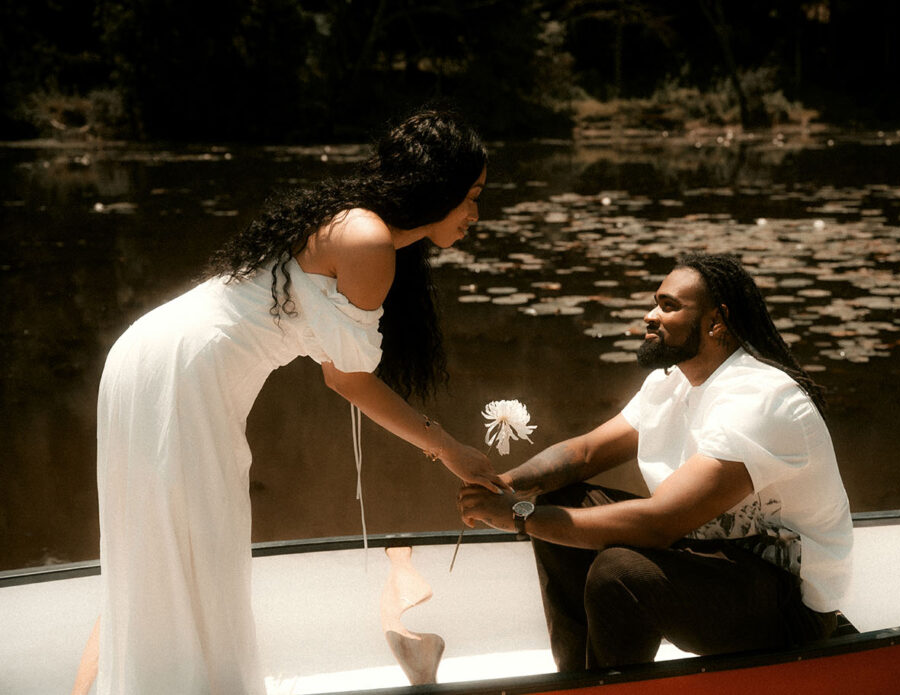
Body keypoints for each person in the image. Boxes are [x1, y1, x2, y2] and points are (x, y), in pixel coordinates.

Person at [83, 108, 505, 695]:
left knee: (171, 544)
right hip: (184, 371)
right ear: (438, 187)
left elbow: (343, 373)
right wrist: (450, 449)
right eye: (472, 195)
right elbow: (347, 381)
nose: (476, 214)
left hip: (154, 355)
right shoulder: (368, 238)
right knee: (199, 544)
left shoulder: (364, 229)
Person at [458, 252, 853, 671]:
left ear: (716, 322)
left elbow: (659, 523)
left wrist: (520, 516)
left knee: (619, 573)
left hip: (788, 602)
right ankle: (578, 679)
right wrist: (509, 483)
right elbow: (585, 454)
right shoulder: (671, 383)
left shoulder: (761, 399)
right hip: (714, 560)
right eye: (655, 302)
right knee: (564, 498)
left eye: (668, 306)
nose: (649, 316)